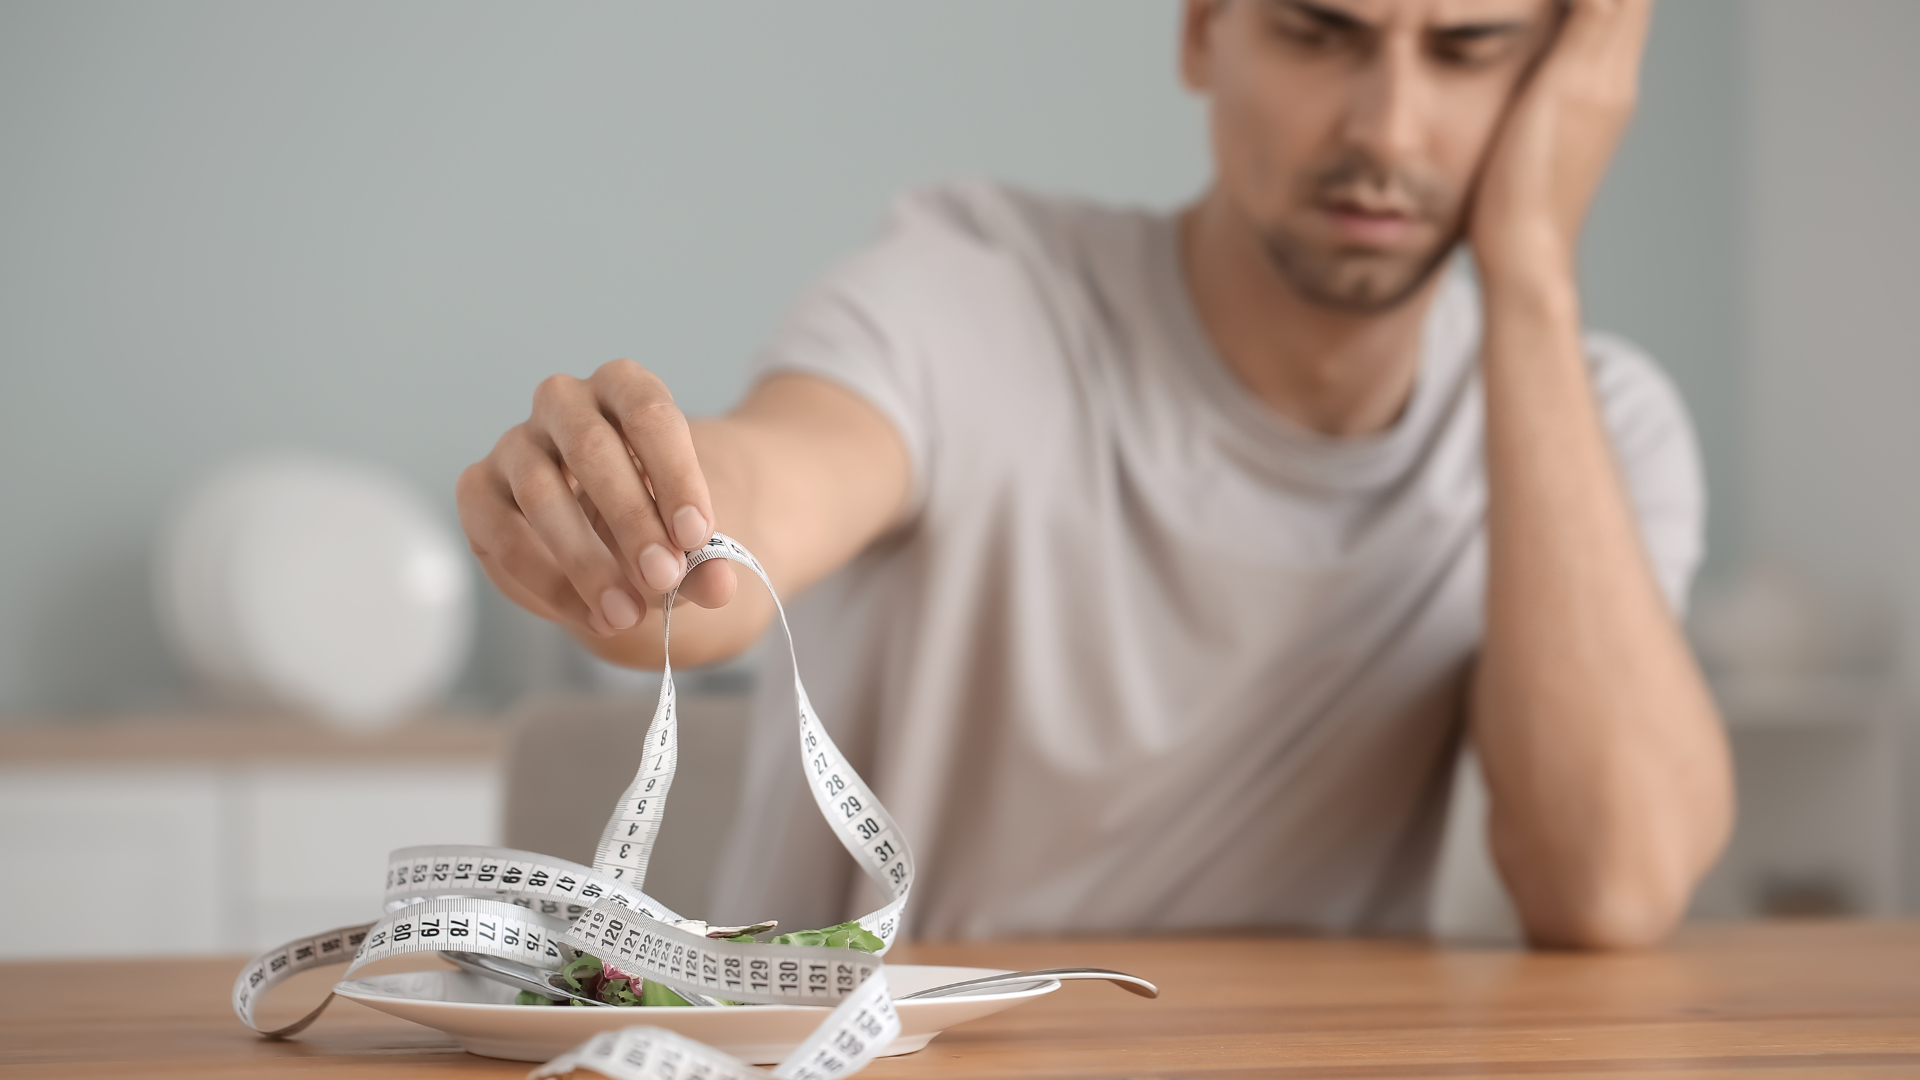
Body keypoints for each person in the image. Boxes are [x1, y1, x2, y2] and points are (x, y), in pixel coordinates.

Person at [457, 0, 1733, 949]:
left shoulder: (1592, 421)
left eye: (1467, 51)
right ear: (1202, 32)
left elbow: (1610, 886)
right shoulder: (973, 294)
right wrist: (624, 518)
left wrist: (1532, 279)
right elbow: (755, 517)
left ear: (1569, 81)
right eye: (1316, 32)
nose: (1385, 128)